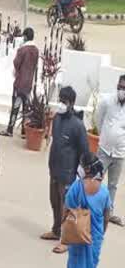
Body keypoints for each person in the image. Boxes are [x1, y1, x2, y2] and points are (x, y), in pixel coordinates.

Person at [65, 153, 111, 268]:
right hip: (93, 241)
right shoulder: (105, 191)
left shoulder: (77, 187)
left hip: (77, 238)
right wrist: (100, 234)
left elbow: (67, 207)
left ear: (86, 169)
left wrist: (64, 230)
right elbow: (106, 216)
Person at [43, 86, 89, 253]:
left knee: (67, 207)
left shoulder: (77, 126)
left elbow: (85, 152)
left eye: (65, 101)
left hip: (68, 174)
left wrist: (81, 175)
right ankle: (55, 230)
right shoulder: (57, 119)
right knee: (54, 202)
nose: (61, 104)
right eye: (60, 100)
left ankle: (66, 239)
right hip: (54, 170)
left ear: (72, 103)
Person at [97, 75, 125, 226]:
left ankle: (109, 212)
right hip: (104, 150)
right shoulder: (107, 101)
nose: (122, 91)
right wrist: (104, 136)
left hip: (120, 153)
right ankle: (92, 208)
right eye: (120, 87)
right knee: (96, 179)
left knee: (113, 185)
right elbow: (98, 119)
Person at [2, 27, 39, 137]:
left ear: (25, 37)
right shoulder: (36, 50)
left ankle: (10, 129)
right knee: (26, 108)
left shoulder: (22, 50)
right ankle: (24, 131)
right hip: (29, 83)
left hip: (19, 83)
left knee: (15, 107)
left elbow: (16, 63)